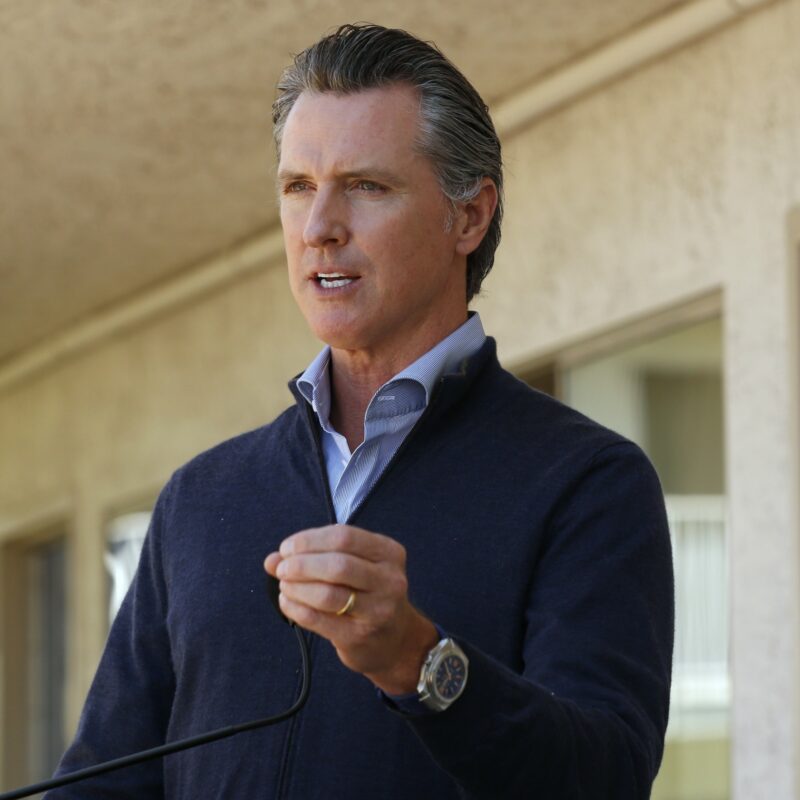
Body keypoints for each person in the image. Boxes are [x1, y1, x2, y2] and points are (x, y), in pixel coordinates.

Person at [50, 23, 673, 799]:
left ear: (469, 217)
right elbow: (99, 784)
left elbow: (605, 778)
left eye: (366, 186)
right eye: (298, 187)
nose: (319, 228)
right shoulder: (201, 497)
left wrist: (417, 661)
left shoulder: (587, 482)